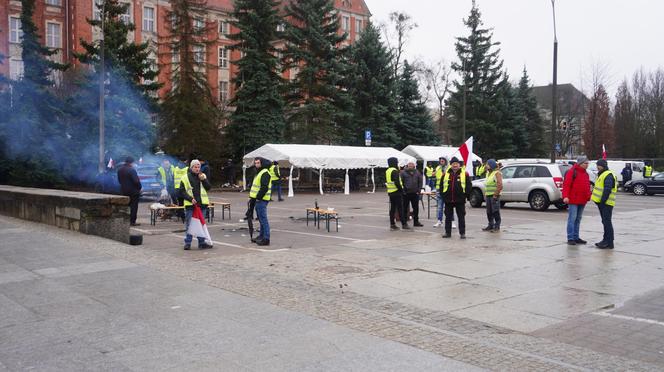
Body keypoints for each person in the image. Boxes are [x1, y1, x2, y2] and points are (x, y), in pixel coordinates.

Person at [178, 159, 213, 250]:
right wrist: (190, 199)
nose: (197, 169)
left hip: (202, 204)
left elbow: (208, 188)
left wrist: (204, 180)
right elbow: (181, 191)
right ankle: (188, 243)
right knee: (189, 224)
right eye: (195, 167)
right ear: (191, 167)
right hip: (190, 205)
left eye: (198, 167)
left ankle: (201, 242)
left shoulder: (202, 176)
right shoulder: (185, 177)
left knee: (200, 224)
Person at [562, 156, 592, 245]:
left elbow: (587, 186)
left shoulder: (586, 174)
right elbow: (566, 185)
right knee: (572, 218)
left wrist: (588, 196)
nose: (587, 165)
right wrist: (565, 196)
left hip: (582, 200)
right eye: (585, 163)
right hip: (573, 200)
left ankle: (576, 236)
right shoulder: (572, 172)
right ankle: (570, 237)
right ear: (580, 163)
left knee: (578, 219)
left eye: (587, 163)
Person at [440, 157, 472, 239]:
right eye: (453, 164)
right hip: (448, 200)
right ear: (451, 165)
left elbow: (469, 186)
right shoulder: (445, 174)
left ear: (459, 164)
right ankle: (448, 233)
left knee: (461, 217)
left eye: (456, 163)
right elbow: (441, 186)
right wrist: (443, 195)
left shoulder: (465, 174)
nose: (455, 165)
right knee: (448, 217)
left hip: (460, 200)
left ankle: (462, 233)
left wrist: (465, 196)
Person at [592, 159, 617, 249]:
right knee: (605, 222)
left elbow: (607, 189)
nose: (597, 167)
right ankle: (606, 240)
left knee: (607, 222)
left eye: (598, 165)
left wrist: (602, 201)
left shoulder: (608, 175)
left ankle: (609, 242)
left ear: (602, 166)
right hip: (603, 203)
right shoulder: (603, 174)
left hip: (606, 203)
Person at [249, 157, 273, 246]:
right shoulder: (260, 172)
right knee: (261, 220)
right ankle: (261, 236)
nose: (256, 165)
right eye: (255, 163)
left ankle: (266, 238)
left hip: (262, 199)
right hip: (258, 199)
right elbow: (256, 187)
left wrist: (258, 197)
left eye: (258, 163)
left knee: (263, 220)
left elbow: (264, 187)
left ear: (262, 163)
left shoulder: (265, 173)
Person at [386, 157, 410, 231]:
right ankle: (404, 224)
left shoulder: (388, 170)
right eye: (396, 162)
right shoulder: (395, 171)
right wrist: (401, 190)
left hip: (390, 192)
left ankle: (392, 224)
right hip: (397, 192)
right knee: (400, 209)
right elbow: (397, 182)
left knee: (392, 209)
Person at [117, 156, 142, 226]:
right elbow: (136, 181)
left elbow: (119, 181)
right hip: (133, 192)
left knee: (126, 206)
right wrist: (140, 188)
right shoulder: (132, 170)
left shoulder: (120, 170)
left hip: (124, 191)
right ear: (132, 163)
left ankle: (125, 220)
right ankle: (132, 221)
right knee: (134, 207)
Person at [482, 159, 503, 232]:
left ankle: (497, 226)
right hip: (488, 195)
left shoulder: (497, 173)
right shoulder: (488, 173)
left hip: (494, 195)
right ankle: (490, 225)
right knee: (489, 211)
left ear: (491, 165)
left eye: (488, 164)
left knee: (495, 211)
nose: (486, 166)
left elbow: (500, 185)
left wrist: (495, 194)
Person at [400, 161, 423, 227]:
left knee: (416, 208)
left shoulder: (417, 172)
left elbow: (420, 181)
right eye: (409, 165)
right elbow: (401, 182)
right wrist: (403, 191)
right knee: (404, 208)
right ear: (407, 165)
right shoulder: (403, 172)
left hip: (415, 193)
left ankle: (416, 222)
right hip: (406, 193)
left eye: (411, 165)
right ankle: (404, 223)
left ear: (414, 166)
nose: (410, 166)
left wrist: (419, 190)